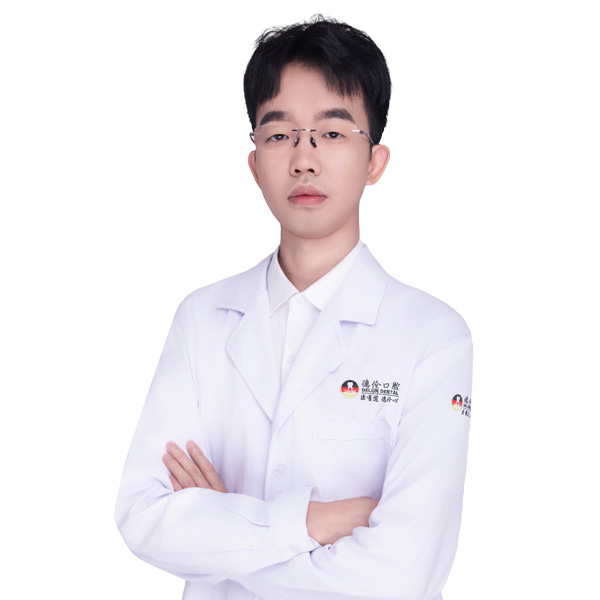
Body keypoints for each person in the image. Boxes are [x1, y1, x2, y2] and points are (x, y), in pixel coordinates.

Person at [115, 15, 473, 600]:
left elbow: (403, 572)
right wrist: (310, 523)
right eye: (280, 135)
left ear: (375, 161)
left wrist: (225, 534)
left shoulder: (432, 336)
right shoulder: (201, 319)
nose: (304, 160)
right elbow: (143, 516)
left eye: (331, 133)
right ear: (254, 163)